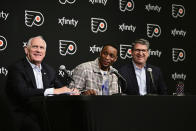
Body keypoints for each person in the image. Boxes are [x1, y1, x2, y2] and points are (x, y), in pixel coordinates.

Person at [5, 36, 79, 131]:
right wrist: (53, 91)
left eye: (41, 48)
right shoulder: (17, 68)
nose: (38, 50)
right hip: (24, 114)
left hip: (45, 115)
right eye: (35, 47)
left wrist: (71, 92)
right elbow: (22, 92)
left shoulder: (49, 70)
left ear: (45, 52)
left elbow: (60, 89)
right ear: (26, 50)